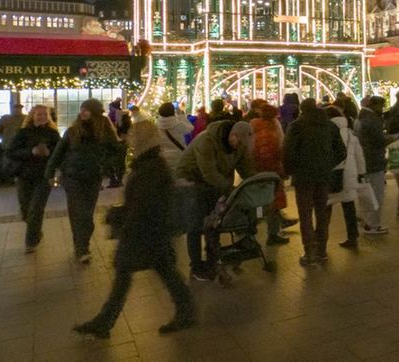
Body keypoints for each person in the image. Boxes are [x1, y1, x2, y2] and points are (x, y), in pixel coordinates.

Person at [74, 121, 195, 339]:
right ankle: (186, 312)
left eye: (133, 134)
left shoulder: (149, 167)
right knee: (164, 273)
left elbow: (144, 205)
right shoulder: (150, 163)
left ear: (142, 138)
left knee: (130, 276)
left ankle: (105, 321)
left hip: (143, 233)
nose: (129, 137)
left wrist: (120, 218)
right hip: (151, 232)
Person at [175, 118, 254, 281]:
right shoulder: (207, 141)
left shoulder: (239, 145)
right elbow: (209, 173)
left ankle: (212, 260)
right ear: (233, 135)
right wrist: (230, 189)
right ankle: (196, 266)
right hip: (190, 181)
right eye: (238, 143)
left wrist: (256, 184)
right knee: (195, 224)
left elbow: (246, 169)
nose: (239, 147)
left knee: (214, 223)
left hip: (212, 185)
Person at [46, 98, 119, 264]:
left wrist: (104, 164)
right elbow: (58, 153)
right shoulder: (72, 131)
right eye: (82, 109)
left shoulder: (105, 132)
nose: (83, 112)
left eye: (86, 109)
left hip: (92, 178)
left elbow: (115, 151)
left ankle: (81, 242)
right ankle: (82, 248)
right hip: (72, 177)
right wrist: (50, 172)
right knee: (78, 213)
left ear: (94, 113)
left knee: (86, 215)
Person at [283, 99, 346, 266]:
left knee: (305, 214)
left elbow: (288, 151)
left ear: (302, 110)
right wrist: (327, 164)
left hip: (303, 177)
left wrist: (291, 170)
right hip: (324, 176)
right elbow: (341, 151)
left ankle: (309, 252)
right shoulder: (329, 125)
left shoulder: (297, 126)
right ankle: (322, 249)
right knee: (322, 213)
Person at [8, 105, 60, 252]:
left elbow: (60, 152)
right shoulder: (23, 133)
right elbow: (11, 151)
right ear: (32, 116)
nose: (42, 116)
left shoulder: (53, 134)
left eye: (45, 114)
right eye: (39, 114)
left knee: (36, 209)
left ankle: (31, 242)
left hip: (44, 176)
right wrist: (31, 152)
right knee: (25, 210)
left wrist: (49, 153)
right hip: (24, 175)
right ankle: (36, 232)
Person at [249, 101, 292, 245]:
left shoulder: (253, 124)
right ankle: (272, 234)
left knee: (257, 201)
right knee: (273, 200)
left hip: (255, 168)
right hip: (273, 168)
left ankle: (249, 233)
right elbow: (281, 146)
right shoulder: (274, 126)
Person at [327, 106, 366, 250]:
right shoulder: (350, 134)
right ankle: (352, 237)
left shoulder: (327, 133)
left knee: (326, 208)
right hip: (349, 174)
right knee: (349, 208)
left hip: (331, 174)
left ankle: (321, 240)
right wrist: (361, 173)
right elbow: (359, 156)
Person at [355, 96, 391, 235]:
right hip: (374, 161)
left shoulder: (360, 118)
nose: (382, 109)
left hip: (364, 162)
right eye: (381, 106)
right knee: (376, 194)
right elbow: (379, 140)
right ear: (375, 106)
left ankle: (365, 220)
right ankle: (373, 225)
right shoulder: (372, 120)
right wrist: (391, 138)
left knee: (365, 194)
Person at [155, 102, 195, 167]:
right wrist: (181, 115)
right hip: (178, 157)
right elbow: (191, 128)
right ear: (173, 112)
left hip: (164, 159)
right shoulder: (178, 125)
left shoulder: (156, 127)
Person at [0, 103, 24, 184]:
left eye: (19, 108)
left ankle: (17, 178)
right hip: (8, 143)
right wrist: (3, 137)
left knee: (19, 162)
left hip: (20, 144)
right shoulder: (5, 118)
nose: (17, 110)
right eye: (15, 108)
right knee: (7, 162)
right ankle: (7, 179)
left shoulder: (25, 118)